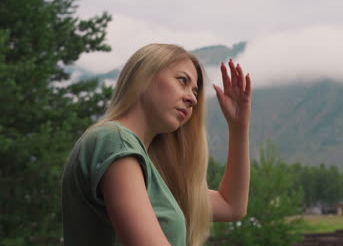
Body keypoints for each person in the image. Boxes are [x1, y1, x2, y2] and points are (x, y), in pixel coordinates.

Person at [61, 43, 252, 246]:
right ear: (143, 77)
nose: (192, 99)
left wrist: (239, 126)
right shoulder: (114, 141)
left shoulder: (149, 169)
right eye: (182, 81)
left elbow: (232, 206)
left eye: (195, 92)